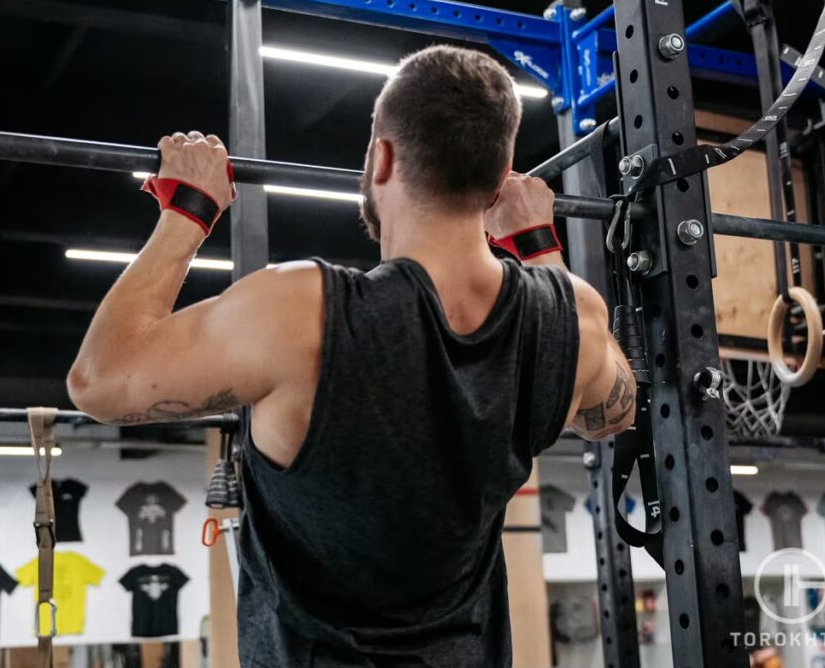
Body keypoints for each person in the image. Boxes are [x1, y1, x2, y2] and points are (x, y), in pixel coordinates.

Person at [68, 45, 635, 667]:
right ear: (500, 178)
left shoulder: (303, 311)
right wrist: (536, 243)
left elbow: (99, 382)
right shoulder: (568, 316)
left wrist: (188, 210)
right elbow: (610, 415)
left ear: (381, 157)